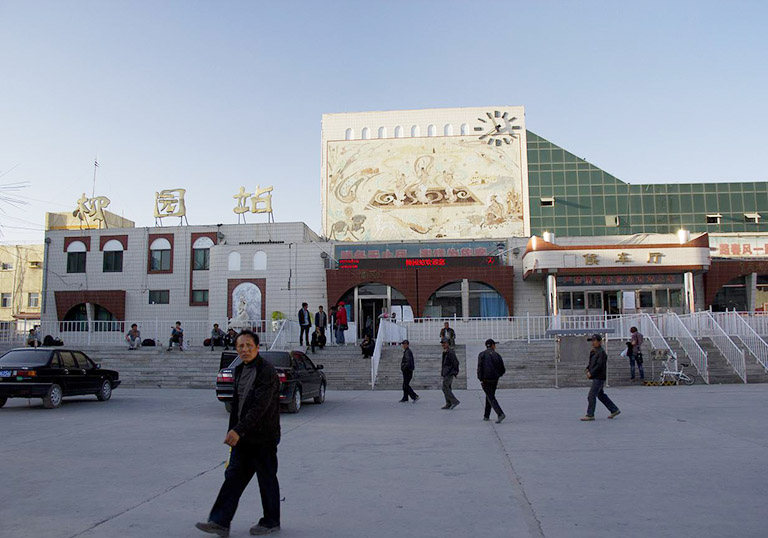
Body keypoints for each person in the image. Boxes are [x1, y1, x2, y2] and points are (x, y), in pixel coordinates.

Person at [196, 330, 281, 537]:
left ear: (257, 347)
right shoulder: (240, 370)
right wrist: (232, 431)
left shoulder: (266, 371)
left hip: (263, 437)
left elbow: (260, 407)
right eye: (240, 346)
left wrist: (238, 430)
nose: (244, 350)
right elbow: (238, 406)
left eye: (248, 346)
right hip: (243, 437)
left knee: (266, 479)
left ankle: (271, 521)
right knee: (233, 477)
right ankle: (220, 522)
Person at [581, 334, 621, 421]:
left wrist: (591, 373)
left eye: (595, 341)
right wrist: (587, 369)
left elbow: (599, 365)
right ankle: (614, 409)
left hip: (599, 377)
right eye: (592, 341)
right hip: (596, 376)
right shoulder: (594, 351)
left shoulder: (601, 353)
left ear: (600, 342)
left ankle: (590, 414)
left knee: (591, 395)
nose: (593, 343)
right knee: (600, 394)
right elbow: (592, 363)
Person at [477, 339, 506, 423]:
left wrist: (480, 378)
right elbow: (502, 368)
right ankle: (486, 415)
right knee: (489, 395)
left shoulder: (481, 354)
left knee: (490, 397)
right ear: (493, 345)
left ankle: (500, 413)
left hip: (486, 379)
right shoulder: (497, 355)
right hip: (494, 379)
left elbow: (479, 368)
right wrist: (498, 375)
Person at [440, 339, 460, 410]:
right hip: (446, 372)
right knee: (447, 388)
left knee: (445, 387)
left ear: (448, 343)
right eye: (442, 343)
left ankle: (454, 401)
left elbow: (456, 362)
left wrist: (455, 372)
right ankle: (448, 403)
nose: (443, 345)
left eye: (444, 343)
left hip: (449, 373)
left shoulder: (450, 352)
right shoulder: (445, 352)